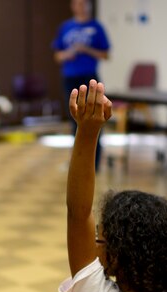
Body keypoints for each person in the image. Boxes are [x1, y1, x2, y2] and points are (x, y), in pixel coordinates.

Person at [58, 80, 167, 292]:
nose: (94, 244)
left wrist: (87, 131)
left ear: (119, 257)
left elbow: (78, 214)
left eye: (98, 238)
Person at [53, 0, 110, 169]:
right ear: (73, 5)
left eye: (84, 3)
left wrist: (86, 50)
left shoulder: (97, 27)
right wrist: (68, 54)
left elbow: (106, 54)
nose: (81, 6)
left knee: (93, 118)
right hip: (70, 78)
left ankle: (95, 163)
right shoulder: (65, 27)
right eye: (78, 3)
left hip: (90, 78)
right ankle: (76, 162)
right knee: (74, 120)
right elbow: (57, 56)